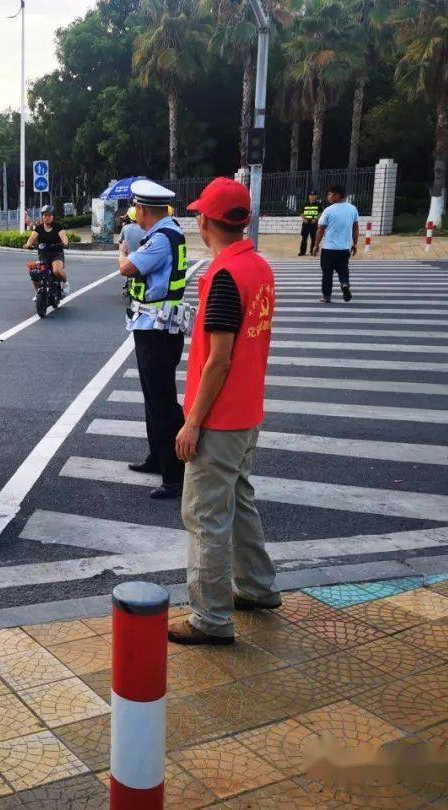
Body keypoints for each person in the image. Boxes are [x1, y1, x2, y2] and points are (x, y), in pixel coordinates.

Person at [169, 177, 279, 646]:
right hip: (248, 412)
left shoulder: (222, 277)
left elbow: (218, 359)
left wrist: (192, 421)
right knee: (241, 503)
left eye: (199, 214)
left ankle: (210, 618)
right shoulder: (259, 266)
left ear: (207, 221)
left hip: (218, 418)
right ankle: (256, 588)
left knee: (205, 516)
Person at [118, 179, 189, 499]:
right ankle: (157, 458)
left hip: (158, 329)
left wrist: (122, 253)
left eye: (137, 209)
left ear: (144, 210)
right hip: (151, 325)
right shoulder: (167, 232)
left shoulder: (161, 239)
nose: (136, 214)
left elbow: (128, 268)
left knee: (161, 401)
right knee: (152, 396)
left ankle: (175, 474)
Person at [315, 185, 358, 303]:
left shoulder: (328, 210)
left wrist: (316, 245)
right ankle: (344, 284)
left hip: (328, 249)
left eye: (330, 194)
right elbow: (355, 228)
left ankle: (326, 296)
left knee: (327, 274)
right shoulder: (352, 209)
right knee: (343, 270)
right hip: (344, 249)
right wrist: (354, 244)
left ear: (338, 195)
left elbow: (320, 229)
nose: (328, 197)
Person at [24, 204, 70, 296]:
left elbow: (64, 237)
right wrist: (28, 244)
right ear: (42, 217)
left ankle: (65, 283)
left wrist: (65, 243)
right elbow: (32, 238)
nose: (47, 217)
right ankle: (39, 293)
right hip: (43, 255)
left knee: (56, 270)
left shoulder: (58, 227)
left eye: (49, 215)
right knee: (34, 273)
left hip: (56, 254)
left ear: (53, 216)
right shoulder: (39, 228)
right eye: (45, 215)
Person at [298, 191, 321, 256]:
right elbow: (301, 212)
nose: (312, 197)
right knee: (304, 238)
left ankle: (312, 251)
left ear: (316, 196)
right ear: (309, 196)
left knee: (313, 238)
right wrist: (304, 219)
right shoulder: (305, 204)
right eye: (311, 195)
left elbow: (320, 213)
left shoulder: (318, 204)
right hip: (306, 223)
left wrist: (316, 219)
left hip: (313, 223)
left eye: (314, 195)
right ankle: (302, 252)